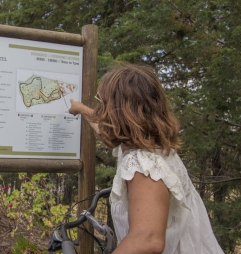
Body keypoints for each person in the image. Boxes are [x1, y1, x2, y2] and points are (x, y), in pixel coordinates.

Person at [69, 63, 224, 254]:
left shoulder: (144, 166)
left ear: (118, 112)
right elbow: (104, 128)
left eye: (103, 102)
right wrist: (81, 109)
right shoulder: (151, 146)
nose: (100, 108)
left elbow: (146, 241)